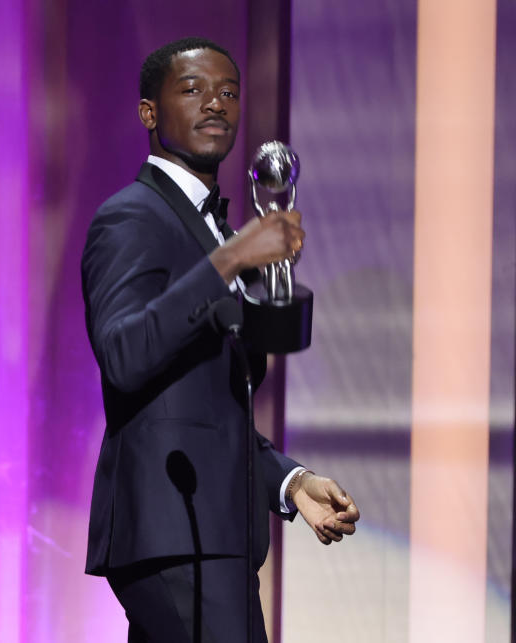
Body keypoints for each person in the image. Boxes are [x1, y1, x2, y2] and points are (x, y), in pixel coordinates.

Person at [82, 37, 359, 643]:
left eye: (228, 92)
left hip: (212, 534)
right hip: (173, 534)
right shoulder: (131, 217)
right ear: (148, 113)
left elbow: (204, 409)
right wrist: (232, 258)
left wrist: (287, 482)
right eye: (192, 89)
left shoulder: (218, 232)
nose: (215, 103)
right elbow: (124, 356)